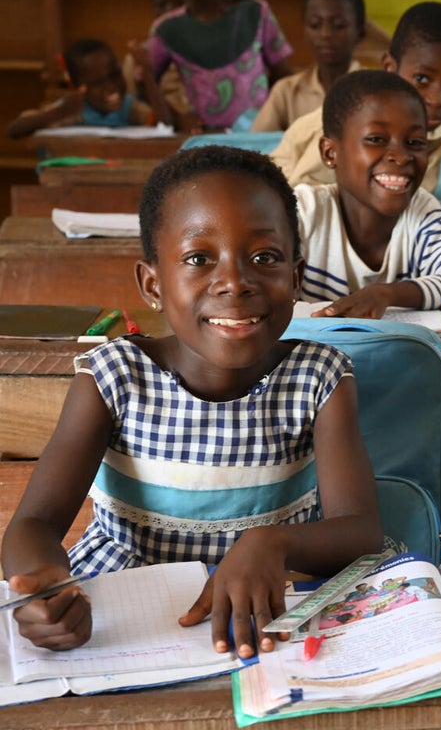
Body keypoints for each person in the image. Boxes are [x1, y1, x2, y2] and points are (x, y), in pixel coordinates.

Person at [0, 146, 383, 657]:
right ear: (153, 284)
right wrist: (41, 585)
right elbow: (34, 525)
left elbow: (360, 530)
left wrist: (271, 541)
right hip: (124, 610)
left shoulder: (320, 378)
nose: (234, 282)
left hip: (271, 604)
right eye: (199, 259)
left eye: (264, 257)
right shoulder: (113, 377)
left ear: (294, 279)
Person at [297, 69, 441, 316]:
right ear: (330, 152)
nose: (401, 156)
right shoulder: (304, 210)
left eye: (415, 142)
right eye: (376, 139)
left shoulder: (420, 211)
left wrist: (386, 293)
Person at [272, 1, 441, 192]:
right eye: (421, 78)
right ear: (389, 68)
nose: (438, 100)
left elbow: (421, 195)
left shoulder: (435, 123)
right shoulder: (353, 117)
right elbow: (303, 196)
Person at [145, 0, 294, 131]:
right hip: (205, 140)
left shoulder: (255, 12)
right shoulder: (166, 29)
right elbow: (145, 85)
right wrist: (178, 118)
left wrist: (272, 117)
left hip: (258, 134)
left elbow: (283, 75)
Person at [251, 0, 366, 132]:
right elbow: (256, 144)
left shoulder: (376, 90)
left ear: (360, 33)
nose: (325, 34)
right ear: (305, 32)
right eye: (315, 25)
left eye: (338, 25)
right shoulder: (286, 92)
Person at [6, 38, 168, 139]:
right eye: (97, 83)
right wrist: (59, 113)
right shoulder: (70, 109)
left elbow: (166, 125)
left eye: (115, 75)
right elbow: (14, 130)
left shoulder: (129, 107)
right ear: (77, 88)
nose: (111, 87)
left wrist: (147, 74)